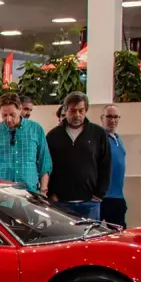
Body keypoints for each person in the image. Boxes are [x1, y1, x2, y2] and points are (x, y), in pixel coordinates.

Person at [46, 92, 110, 221]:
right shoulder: (53, 135)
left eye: (81, 111)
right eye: (73, 111)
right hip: (61, 203)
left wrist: (99, 194)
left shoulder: (98, 134)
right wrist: (52, 194)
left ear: (86, 110)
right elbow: (47, 166)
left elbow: (106, 164)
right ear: (65, 110)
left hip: (90, 203)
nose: (77, 115)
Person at [0, 93, 52, 194]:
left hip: (29, 193)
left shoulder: (36, 129)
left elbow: (44, 162)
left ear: (20, 109)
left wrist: (43, 190)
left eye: (12, 114)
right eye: (4, 115)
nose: (8, 119)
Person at [100, 105, 128, 227]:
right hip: (101, 198)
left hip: (117, 197)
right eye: (109, 117)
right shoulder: (99, 138)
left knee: (119, 233)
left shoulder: (118, 139)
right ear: (102, 118)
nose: (112, 120)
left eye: (116, 117)